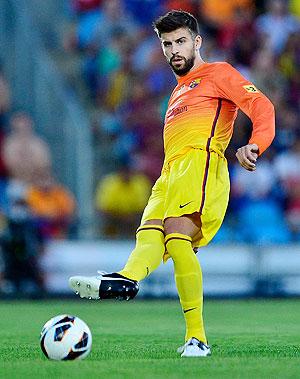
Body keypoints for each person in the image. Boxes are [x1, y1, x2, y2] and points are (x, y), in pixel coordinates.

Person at [69, 10, 275, 357]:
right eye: (167, 44)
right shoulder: (178, 91)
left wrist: (256, 144)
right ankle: (126, 278)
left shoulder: (219, 73)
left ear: (197, 42)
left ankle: (198, 339)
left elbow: (260, 104)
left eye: (180, 41)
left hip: (202, 163)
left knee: (178, 240)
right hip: (170, 173)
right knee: (150, 234)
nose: (174, 50)